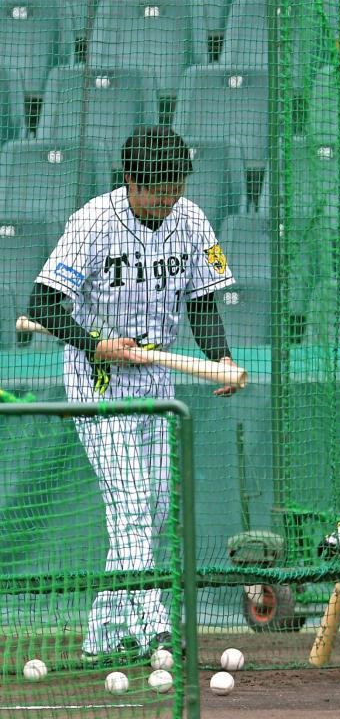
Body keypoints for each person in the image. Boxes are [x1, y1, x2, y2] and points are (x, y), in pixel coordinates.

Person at [27, 126, 239, 665]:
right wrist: (98, 344)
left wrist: (221, 358)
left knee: (153, 504)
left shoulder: (189, 219)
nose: (167, 199)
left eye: (175, 186)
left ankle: (102, 632)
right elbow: (44, 303)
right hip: (99, 379)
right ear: (130, 181)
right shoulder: (94, 222)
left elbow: (202, 302)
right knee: (130, 503)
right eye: (157, 189)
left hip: (156, 378)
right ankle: (155, 628)